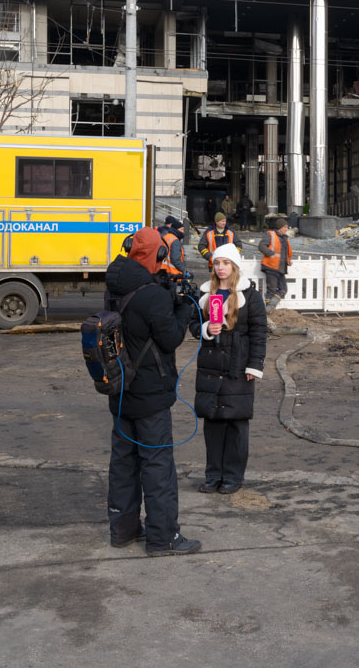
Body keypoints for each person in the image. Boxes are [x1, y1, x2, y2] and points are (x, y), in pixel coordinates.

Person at [102, 227, 202, 555]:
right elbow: (170, 337)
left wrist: (164, 293)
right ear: (159, 255)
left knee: (123, 462)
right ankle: (163, 538)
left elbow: (137, 319)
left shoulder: (116, 288)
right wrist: (184, 305)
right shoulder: (153, 295)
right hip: (150, 394)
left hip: (120, 391)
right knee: (157, 465)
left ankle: (123, 531)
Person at [190, 243, 267, 494]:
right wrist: (204, 330)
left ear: (234, 266)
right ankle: (213, 475)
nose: (220, 268)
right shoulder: (205, 294)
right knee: (213, 423)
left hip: (237, 366)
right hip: (211, 367)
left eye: (225, 263)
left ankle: (233, 477)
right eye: (217, 263)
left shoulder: (251, 296)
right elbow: (192, 323)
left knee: (235, 424)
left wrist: (254, 366)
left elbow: (259, 333)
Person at [256, 213, 292, 302]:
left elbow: (284, 252)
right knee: (271, 290)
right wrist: (270, 253)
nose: (287, 229)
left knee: (283, 289)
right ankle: (267, 309)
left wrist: (287, 260)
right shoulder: (270, 235)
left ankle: (270, 308)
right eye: (285, 227)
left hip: (280, 268)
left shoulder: (284, 238)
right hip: (271, 267)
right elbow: (261, 246)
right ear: (280, 227)